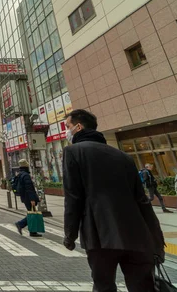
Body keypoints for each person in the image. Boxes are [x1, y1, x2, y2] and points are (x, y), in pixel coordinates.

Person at [62, 109, 165, 292]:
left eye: (68, 127)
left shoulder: (73, 152)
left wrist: (70, 234)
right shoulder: (124, 157)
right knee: (142, 286)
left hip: (99, 233)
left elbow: (73, 198)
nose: (66, 132)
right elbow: (142, 200)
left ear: (78, 127)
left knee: (104, 286)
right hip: (137, 233)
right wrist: (157, 239)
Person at [14, 159, 42, 237]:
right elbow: (29, 188)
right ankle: (20, 224)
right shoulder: (26, 175)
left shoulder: (20, 174)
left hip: (24, 197)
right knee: (32, 214)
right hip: (28, 197)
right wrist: (32, 199)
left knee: (31, 213)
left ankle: (32, 231)